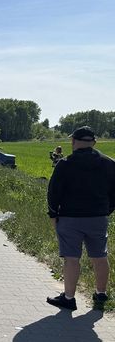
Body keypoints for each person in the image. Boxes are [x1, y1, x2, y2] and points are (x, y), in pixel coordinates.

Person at [46, 126, 115, 311]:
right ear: (94, 142)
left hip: (70, 217)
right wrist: (106, 210)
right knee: (100, 256)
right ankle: (101, 294)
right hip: (98, 217)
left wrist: (53, 214)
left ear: (73, 142)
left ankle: (69, 298)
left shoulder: (65, 163)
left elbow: (53, 192)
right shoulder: (109, 163)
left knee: (71, 258)